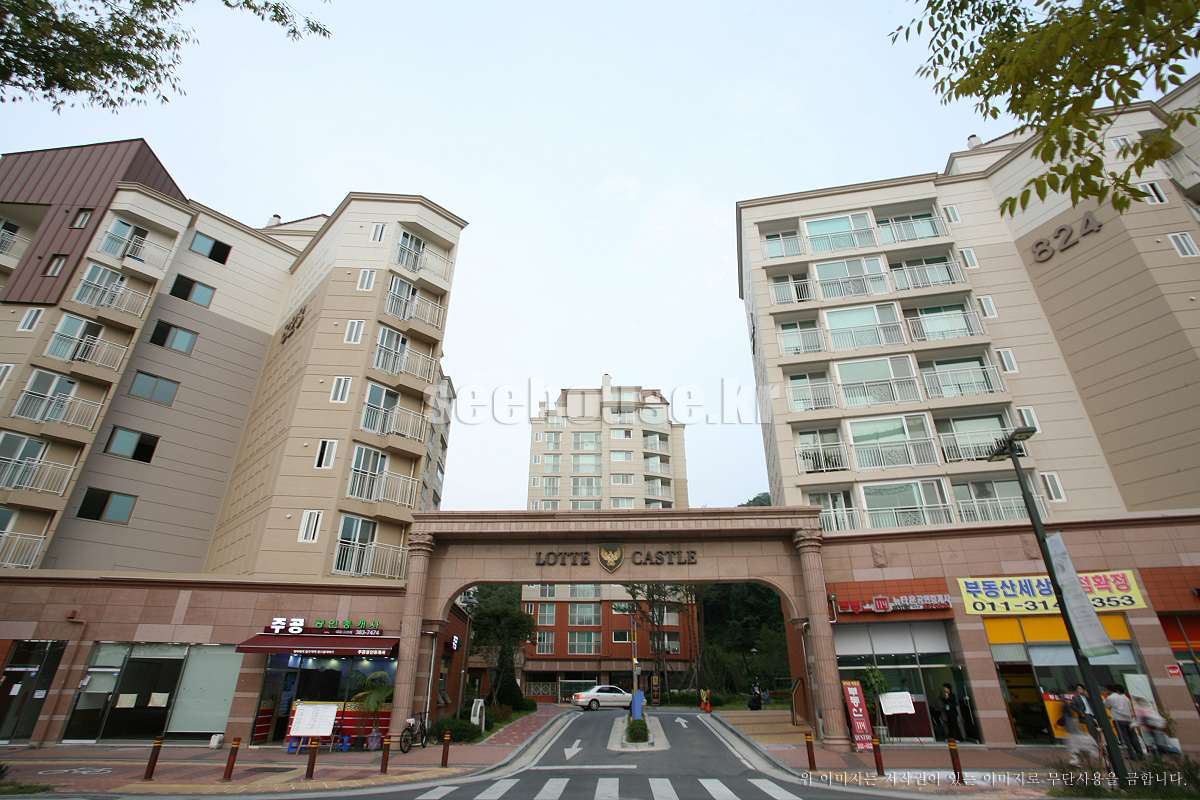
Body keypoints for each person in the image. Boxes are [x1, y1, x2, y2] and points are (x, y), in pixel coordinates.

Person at [1103, 684, 1143, 760]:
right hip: (1129, 719)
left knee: (1125, 738)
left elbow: (1106, 705)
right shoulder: (1125, 698)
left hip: (1119, 719)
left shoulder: (1111, 698)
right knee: (1133, 737)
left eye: (1106, 690)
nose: (1106, 691)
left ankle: (1131, 755)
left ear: (1110, 690)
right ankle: (1140, 754)